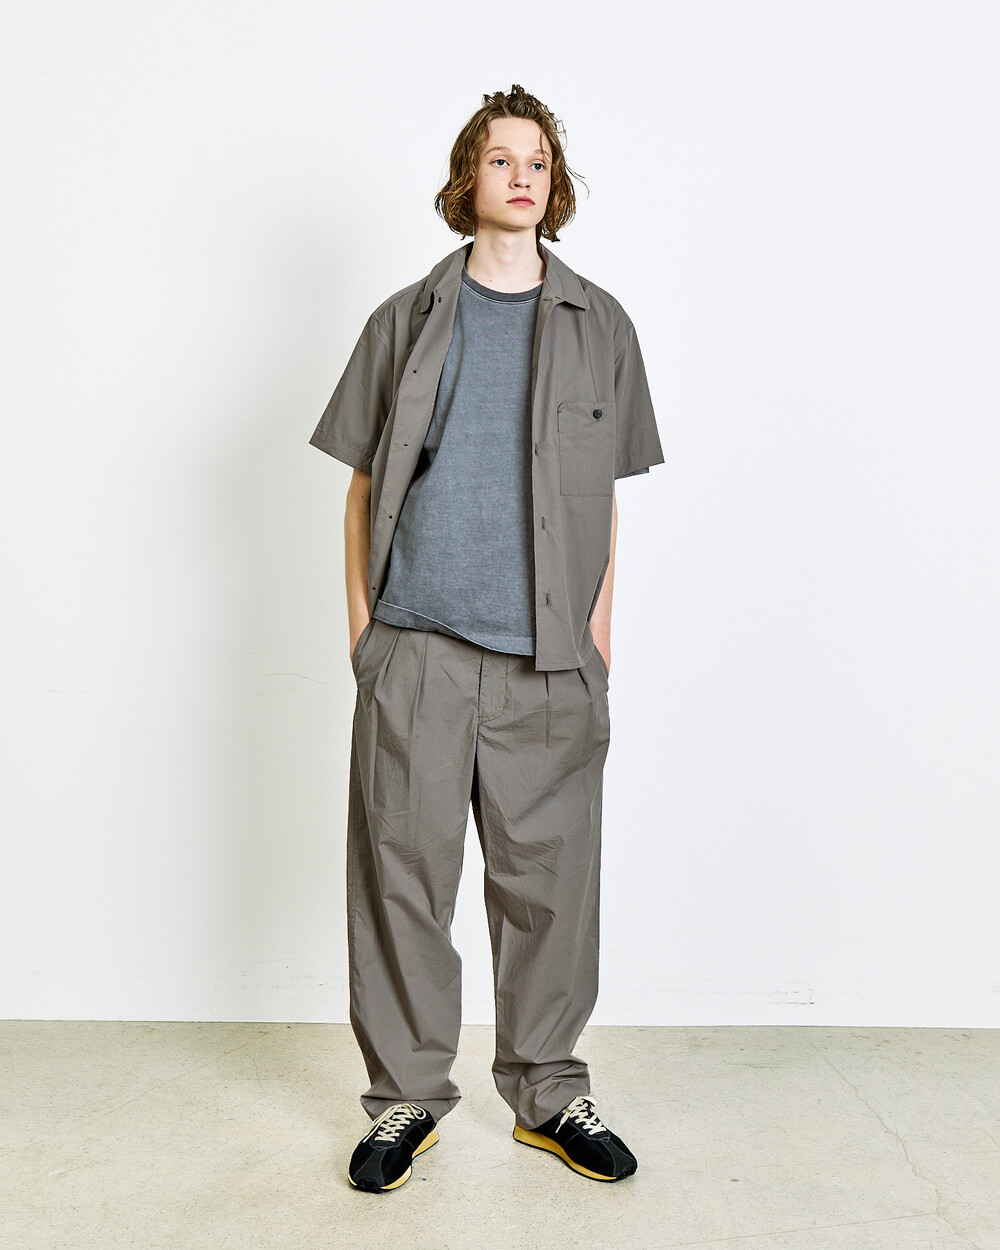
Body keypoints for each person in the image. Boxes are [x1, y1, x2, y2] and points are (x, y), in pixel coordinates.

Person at [309, 84, 664, 1193]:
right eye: (502, 159)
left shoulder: (602, 325)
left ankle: (550, 1092)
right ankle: (405, 1097)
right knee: (402, 882)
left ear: (556, 187)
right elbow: (361, 486)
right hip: (416, 649)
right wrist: (366, 635)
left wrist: (597, 638)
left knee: (549, 889)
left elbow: (606, 495)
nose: (522, 176)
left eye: (539, 161)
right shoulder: (404, 320)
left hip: (549, 662)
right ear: (468, 178)